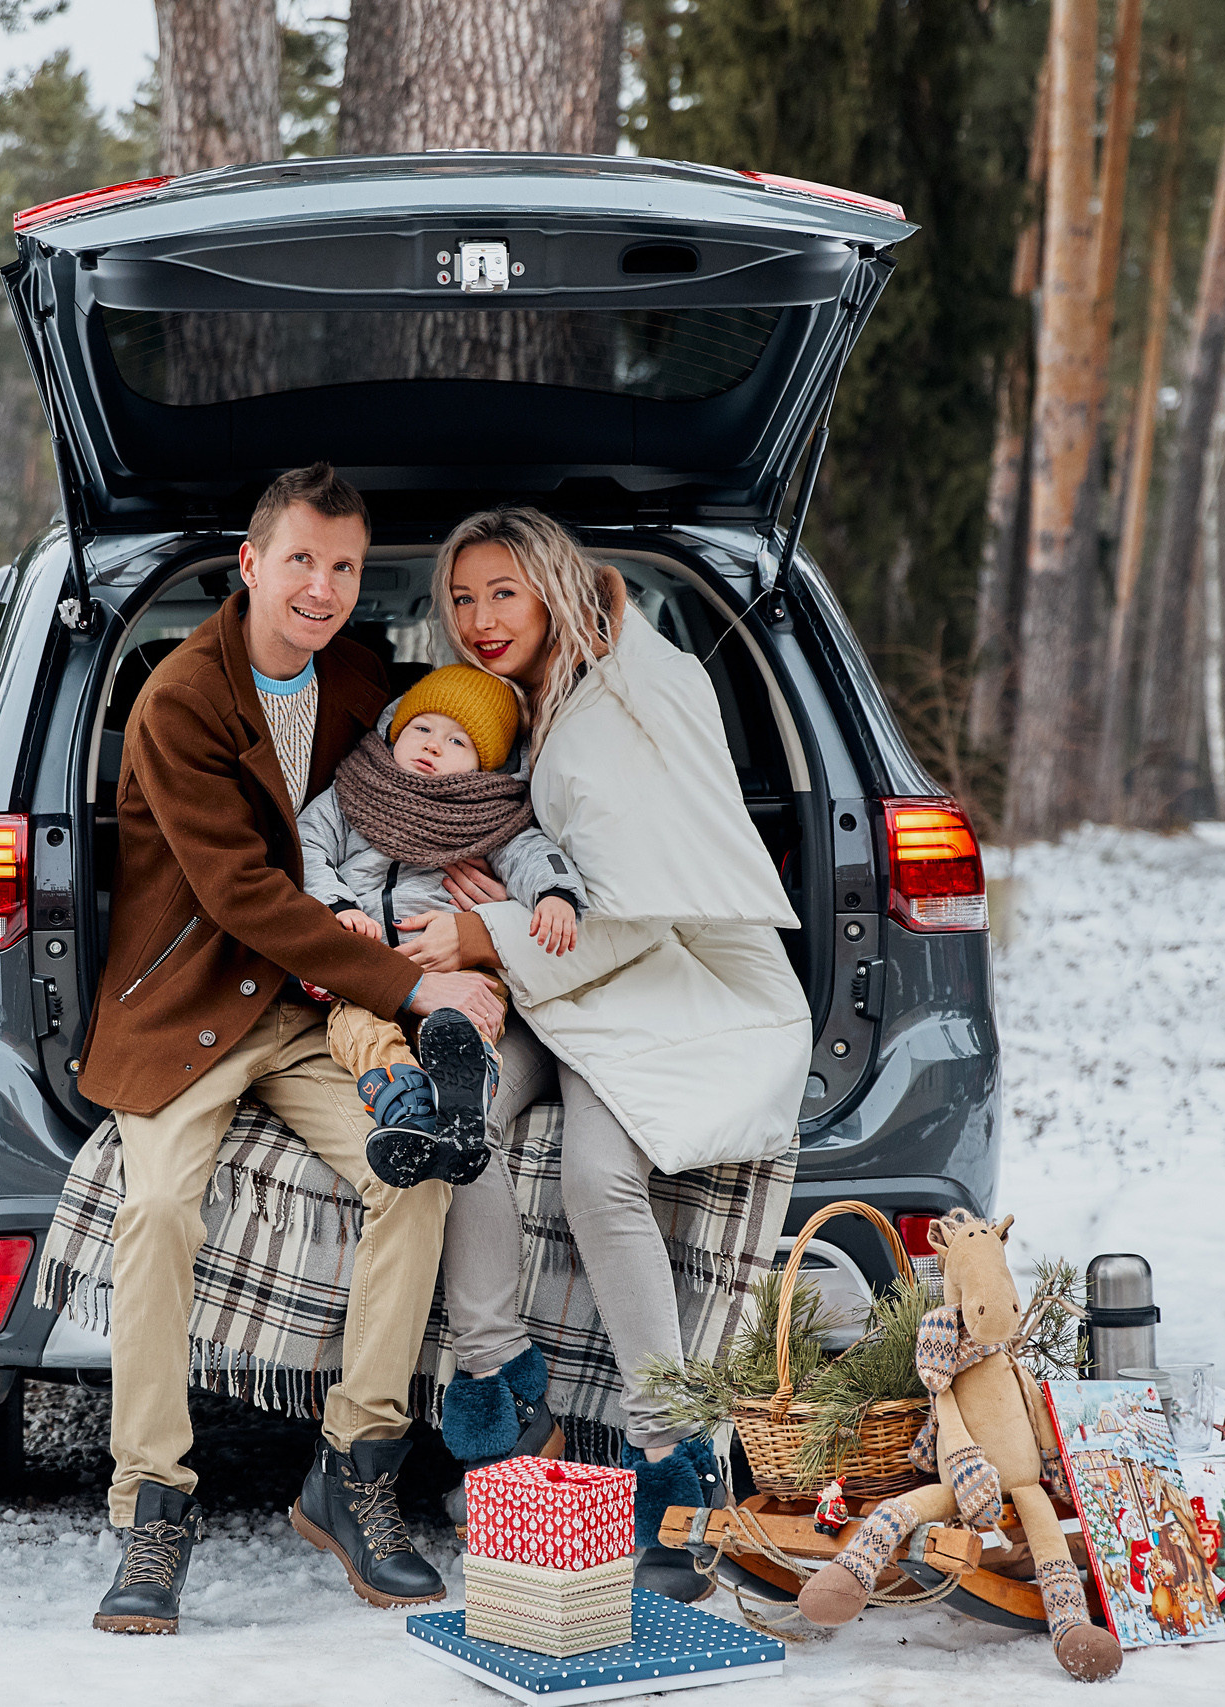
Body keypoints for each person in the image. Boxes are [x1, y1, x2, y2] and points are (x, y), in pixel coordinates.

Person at [77, 464, 506, 1635]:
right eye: (302, 560)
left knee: (410, 1171)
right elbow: (245, 896)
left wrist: (477, 868)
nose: (321, 588)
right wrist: (422, 987)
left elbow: (417, 782)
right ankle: (151, 1501)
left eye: (346, 568)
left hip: (315, 1010)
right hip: (190, 1004)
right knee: (158, 1207)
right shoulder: (179, 700)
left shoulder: (364, 679)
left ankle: (356, 1466)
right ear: (251, 565)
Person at [403, 507, 813, 1602]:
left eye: (502, 592)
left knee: (596, 1176)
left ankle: (669, 1450)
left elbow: (639, 902)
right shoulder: (527, 704)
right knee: (463, 1127)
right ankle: (500, 1376)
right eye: (461, 598)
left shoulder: (632, 701)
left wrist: (484, 929)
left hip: (658, 984)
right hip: (553, 987)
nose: (479, 620)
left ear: (549, 586)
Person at [296, 662, 586, 1189]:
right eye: (421, 729)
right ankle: (403, 1104)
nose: (433, 745)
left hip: (457, 968)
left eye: (458, 740)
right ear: (395, 730)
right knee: (358, 1024)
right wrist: (338, 908)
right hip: (372, 968)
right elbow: (306, 846)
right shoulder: (353, 793)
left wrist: (556, 895)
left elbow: (530, 854)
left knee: (473, 1006)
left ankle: (464, 1091)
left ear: (484, 764)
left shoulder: (486, 816)